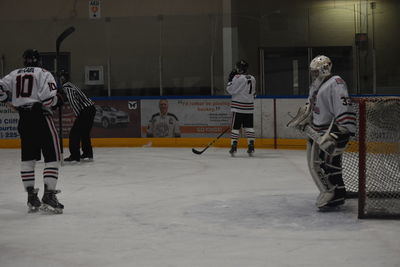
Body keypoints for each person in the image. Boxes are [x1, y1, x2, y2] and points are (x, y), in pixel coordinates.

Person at [287, 55, 356, 210]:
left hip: (329, 131)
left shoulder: (336, 83)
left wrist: (343, 131)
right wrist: (304, 118)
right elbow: (310, 106)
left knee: (329, 165)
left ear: (325, 68)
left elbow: (343, 106)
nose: (314, 74)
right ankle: (335, 192)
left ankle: (334, 193)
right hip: (316, 131)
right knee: (314, 165)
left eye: (316, 71)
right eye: (312, 72)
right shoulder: (316, 85)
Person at [0, 49, 64, 213]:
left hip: (24, 120)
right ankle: (49, 195)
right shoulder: (44, 73)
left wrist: (6, 100)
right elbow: (48, 100)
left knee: (28, 159)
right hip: (41, 118)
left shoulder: (14, 73)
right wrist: (58, 100)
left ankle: (31, 196)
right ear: (39, 60)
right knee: (52, 157)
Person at [59, 71, 96, 163]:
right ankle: (88, 153)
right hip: (90, 109)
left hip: (85, 111)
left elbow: (72, 100)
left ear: (62, 79)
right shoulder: (71, 85)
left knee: (74, 133)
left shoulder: (67, 87)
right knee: (84, 133)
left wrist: (78, 114)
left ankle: (75, 156)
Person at [226, 60, 256, 156]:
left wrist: (230, 80)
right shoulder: (252, 78)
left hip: (238, 107)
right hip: (249, 107)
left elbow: (230, 90)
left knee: (235, 128)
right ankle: (251, 144)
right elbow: (254, 94)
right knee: (249, 127)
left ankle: (234, 146)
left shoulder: (237, 77)